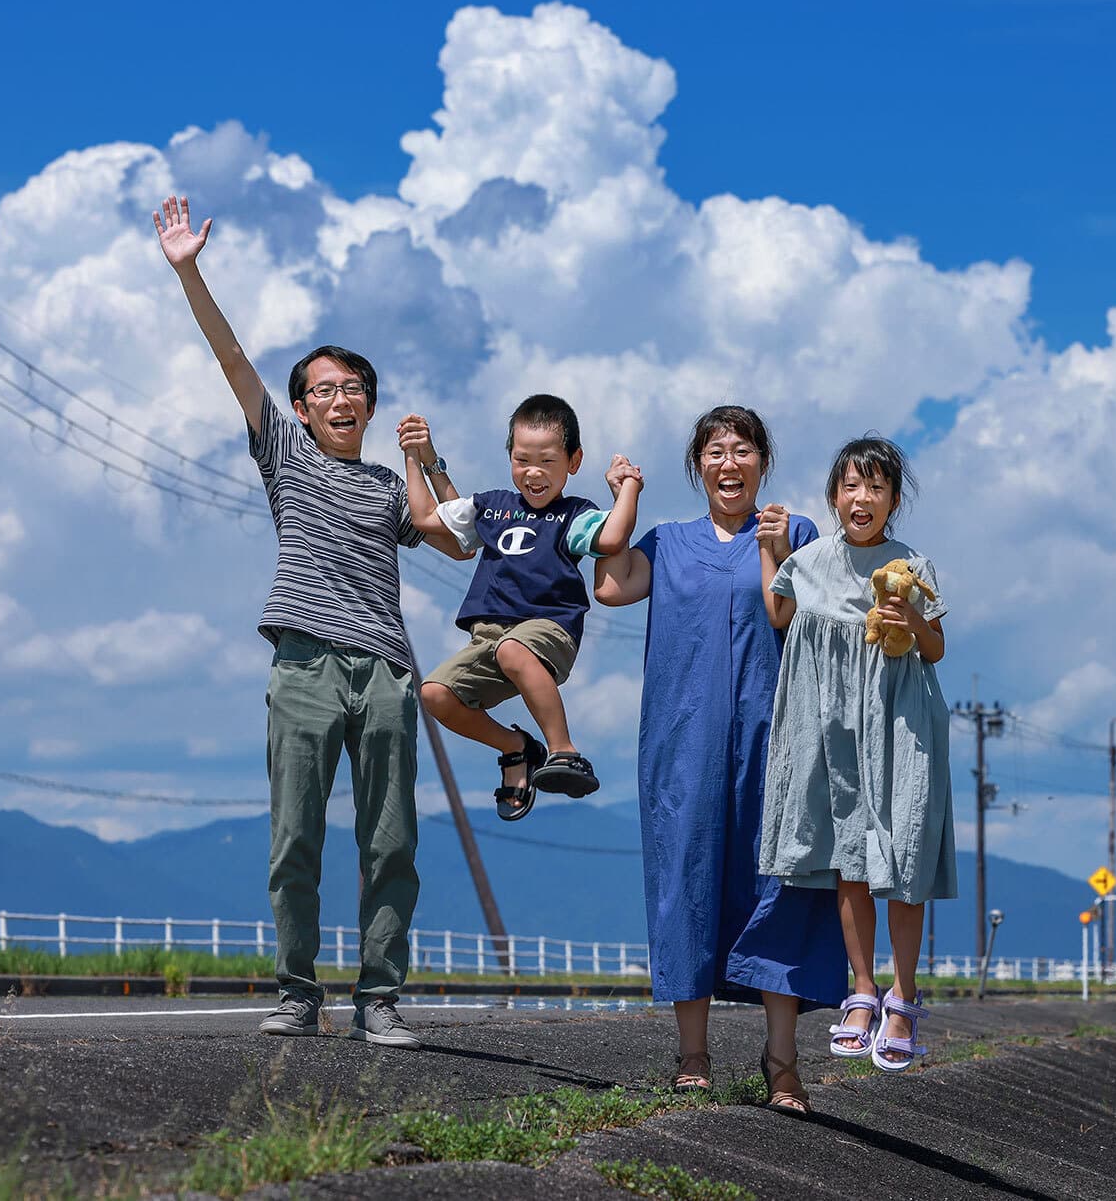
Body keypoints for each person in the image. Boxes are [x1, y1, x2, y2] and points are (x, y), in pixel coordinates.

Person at [153, 194, 455, 1048]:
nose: (341, 398)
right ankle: (298, 992)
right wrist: (189, 269)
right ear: (304, 408)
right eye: (324, 390)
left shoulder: (392, 487)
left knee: (390, 842)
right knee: (296, 838)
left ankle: (380, 997)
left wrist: (424, 457)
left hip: (387, 670)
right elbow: (233, 356)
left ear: (368, 403)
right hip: (304, 665)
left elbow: (459, 537)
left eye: (354, 388)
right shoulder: (283, 454)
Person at [594, 406, 847, 1116]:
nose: (728, 463)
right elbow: (611, 584)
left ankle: (782, 1062)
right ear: (698, 464)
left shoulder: (794, 533)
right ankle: (693, 1054)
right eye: (714, 451)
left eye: (741, 450)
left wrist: (773, 547)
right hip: (684, 744)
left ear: (762, 462)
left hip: (778, 739)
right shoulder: (668, 540)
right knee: (687, 880)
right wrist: (625, 495)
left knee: (780, 881)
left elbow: (796, 617)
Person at [758, 435, 954, 1073]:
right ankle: (862, 990)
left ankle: (905, 994)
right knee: (849, 859)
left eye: (875, 486)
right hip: (832, 725)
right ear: (833, 496)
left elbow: (936, 649)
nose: (860, 498)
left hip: (901, 721)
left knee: (902, 850)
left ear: (893, 498)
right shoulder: (810, 560)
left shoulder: (913, 563)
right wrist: (771, 550)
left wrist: (908, 620)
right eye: (850, 486)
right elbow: (781, 613)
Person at [399, 396, 642, 819]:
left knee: (515, 649)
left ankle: (563, 751)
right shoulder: (492, 506)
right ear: (509, 457)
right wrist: (415, 459)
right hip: (488, 637)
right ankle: (516, 749)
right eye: (522, 459)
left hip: (549, 628)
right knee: (435, 694)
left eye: (547, 461)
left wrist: (627, 490)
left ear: (574, 461)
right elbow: (427, 518)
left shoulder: (573, 514)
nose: (534, 472)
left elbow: (613, 538)